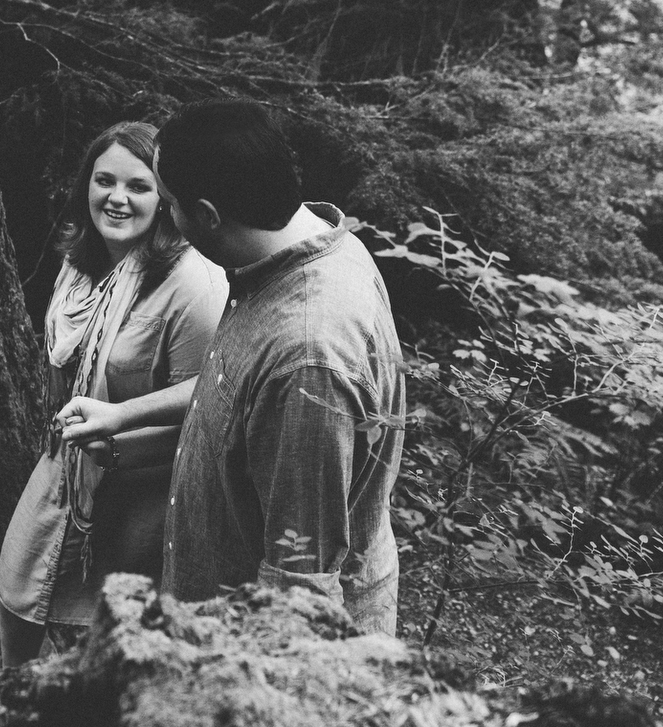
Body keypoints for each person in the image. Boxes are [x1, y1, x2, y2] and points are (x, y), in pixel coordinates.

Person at [56, 100, 404, 635]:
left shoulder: (307, 360)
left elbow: (299, 584)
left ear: (208, 215)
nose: (166, 218)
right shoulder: (288, 256)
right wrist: (125, 426)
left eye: (169, 203)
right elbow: (235, 404)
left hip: (245, 657)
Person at [0, 121, 228, 664]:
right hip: (67, 466)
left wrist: (122, 419)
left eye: (138, 186)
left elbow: (214, 390)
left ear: (165, 198)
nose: (117, 198)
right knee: (17, 587)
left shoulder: (192, 282)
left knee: (105, 632)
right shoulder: (79, 265)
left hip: (144, 486)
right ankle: (13, 700)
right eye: (104, 181)